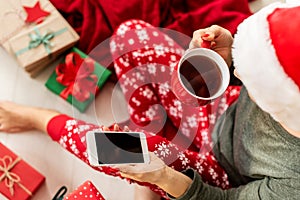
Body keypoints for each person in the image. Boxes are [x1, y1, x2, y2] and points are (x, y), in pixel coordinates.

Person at [0, 2, 299, 199]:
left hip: (221, 173)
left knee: (115, 149)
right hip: (223, 112)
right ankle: (158, 138)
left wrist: (164, 177)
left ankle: (38, 117)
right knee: (130, 34)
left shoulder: (293, 181)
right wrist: (233, 56)